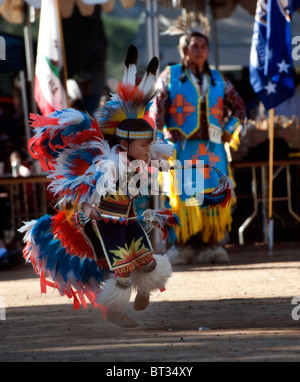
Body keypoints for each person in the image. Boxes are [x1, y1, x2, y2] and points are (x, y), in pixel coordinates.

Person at [19, 46, 176, 329]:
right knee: (122, 270)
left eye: (149, 144)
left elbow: (159, 156)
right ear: (126, 145)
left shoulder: (141, 155)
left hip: (128, 218)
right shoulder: (107, 163)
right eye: (144, 144)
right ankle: (114, 310)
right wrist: (87, 205)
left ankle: (145, 289)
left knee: (147, 259)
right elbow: (79, 188)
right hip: (104, 222)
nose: (148, 149)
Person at [151, 13, 246, 264]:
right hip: (182, 148)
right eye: (194, 46)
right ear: (184, 49)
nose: (199, 50)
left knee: (213, 194)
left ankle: (211, 244)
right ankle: (182, 245)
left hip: (214, 149)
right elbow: (156, 112)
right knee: (185, 196)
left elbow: (239, 108)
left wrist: (230, 128)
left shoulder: (218, 80)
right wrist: (158, 143)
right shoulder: (169, 77)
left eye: (203, 46)